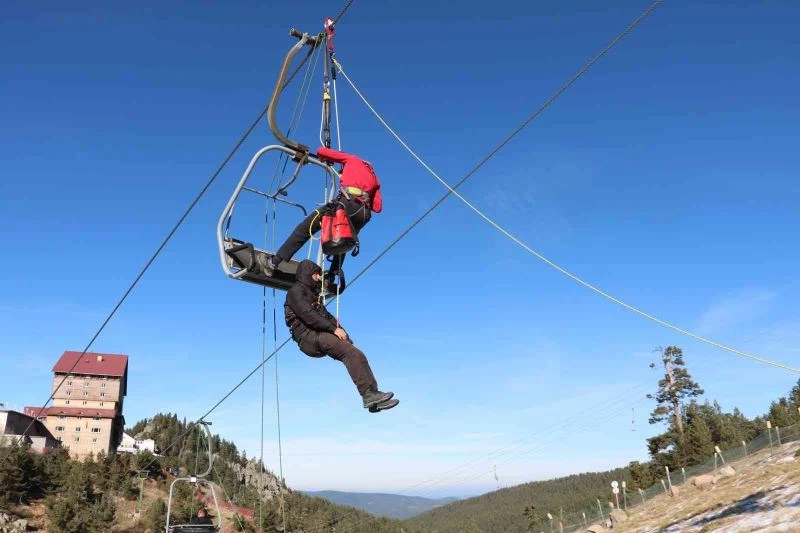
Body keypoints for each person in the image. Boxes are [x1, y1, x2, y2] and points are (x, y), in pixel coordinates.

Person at [259, 146, 382, 280]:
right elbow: (377, 207)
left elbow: (321, 151)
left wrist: (326, 158)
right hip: (363, 213)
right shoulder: (375, 178)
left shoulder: (352, 159)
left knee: (305, 228)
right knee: (343, 239)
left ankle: (272, 263)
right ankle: (330, 279)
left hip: (346, 203)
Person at [285, 259, 394, 410]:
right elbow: (307, 314)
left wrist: (347, 338)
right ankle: (368, 395)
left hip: (317, 334)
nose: (318, 277)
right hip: (307, 337)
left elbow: (327, 317)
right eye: (316, 274)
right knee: (349, 353)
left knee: (356, 354)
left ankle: (373, 397)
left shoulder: (314, 296)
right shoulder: (295, 292)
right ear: (307, 274)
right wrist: (333, 329)